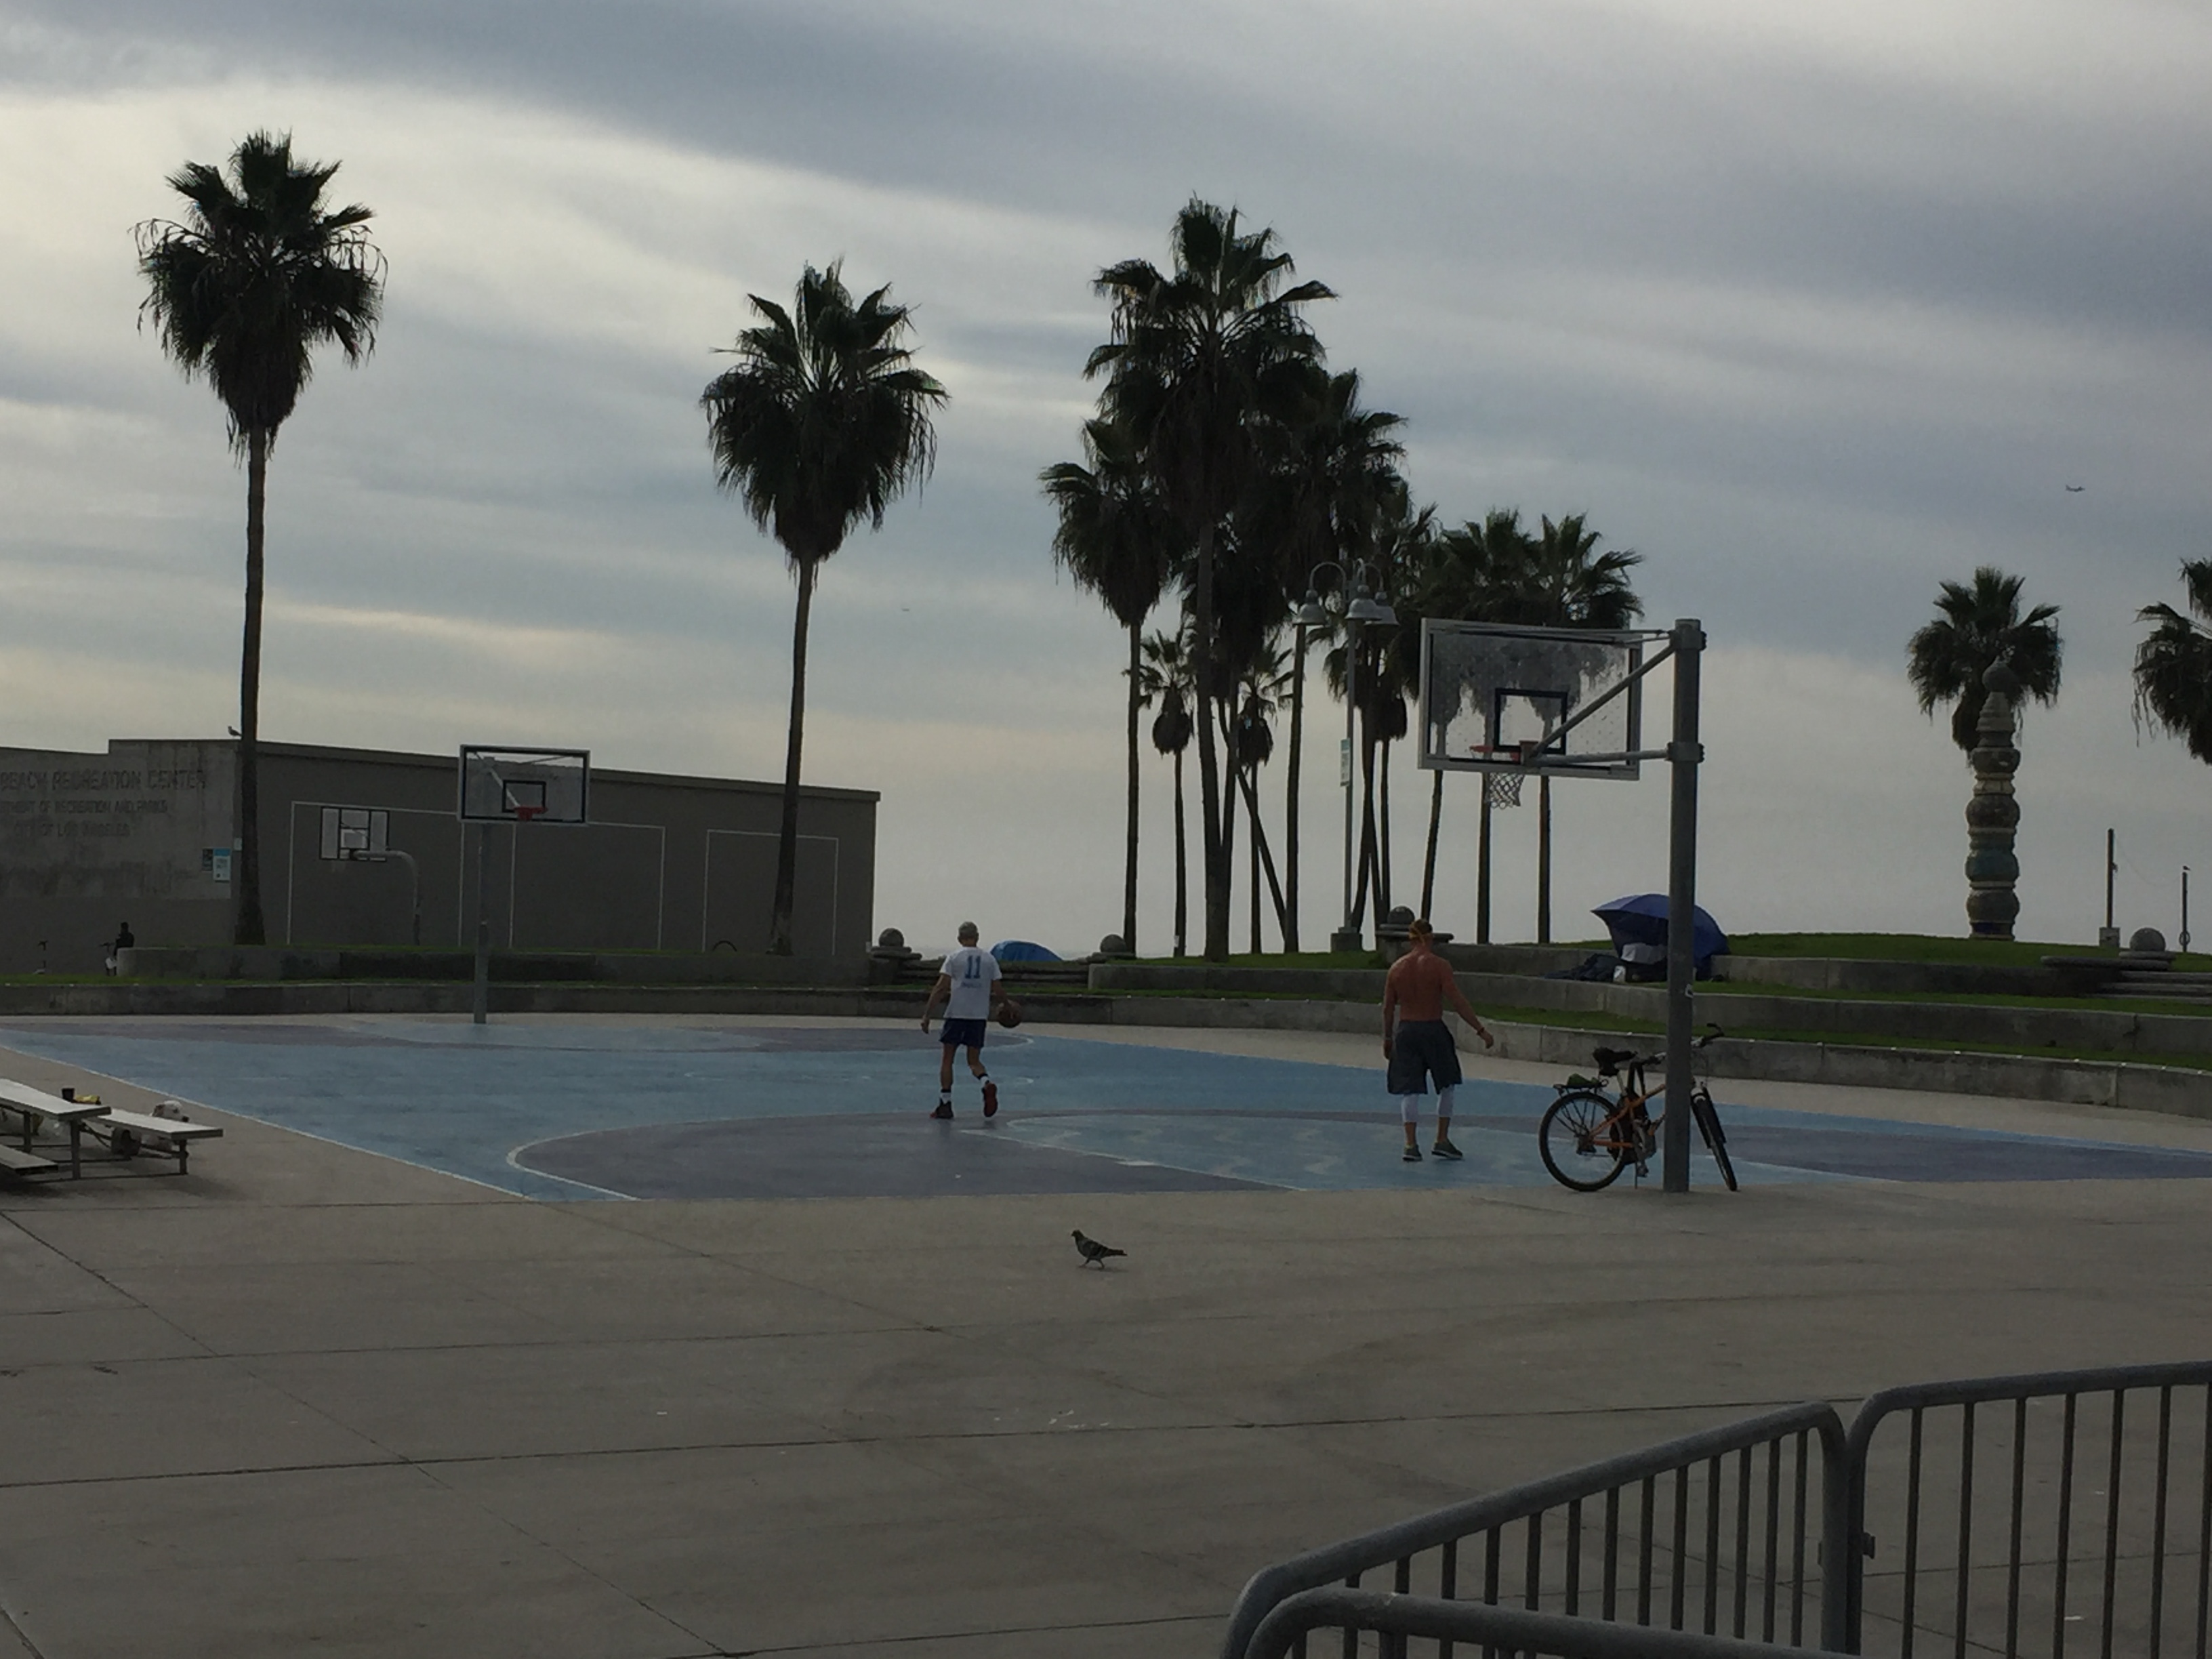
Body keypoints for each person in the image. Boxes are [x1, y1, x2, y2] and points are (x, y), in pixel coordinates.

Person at [1382, 918, 1494, 1162]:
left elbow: (1388, 1008)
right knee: (1447, 1084)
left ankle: (1410, 1144)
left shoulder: (1396, 969)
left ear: (1409, 941)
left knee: (1409, 1089)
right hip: (1432, 1029)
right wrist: (1480, 1029)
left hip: (1407, 1031)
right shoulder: (1439, 966)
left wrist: (1388, 1038)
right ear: (1430, 938)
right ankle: (1441, 1139)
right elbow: (1457, 1000)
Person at [920, 922, 1010, 1119]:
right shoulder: (989, 959)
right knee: (974, 1061)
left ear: (960, 939)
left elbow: (941, 987)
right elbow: (998, 988)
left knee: (947, 1059)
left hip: (956, 1014)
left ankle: (945, 1103)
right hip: (978, 1016)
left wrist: (927, 1014)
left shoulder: (954, 958)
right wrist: (1007, 1006)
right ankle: (986, 1082)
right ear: (977, 937)